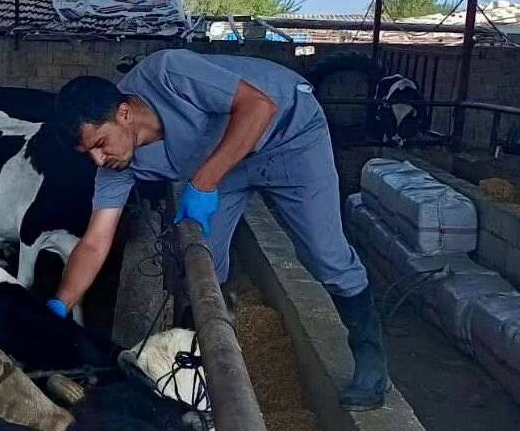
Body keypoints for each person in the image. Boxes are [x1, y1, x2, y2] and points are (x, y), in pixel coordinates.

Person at [49, 49, 388, 411]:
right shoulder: (118, 164)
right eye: (89, 154)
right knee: (200, 264)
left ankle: (370, 357)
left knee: (325, 254)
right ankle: (199, 355)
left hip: (290, 134)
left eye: (100, 144)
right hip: (227, 162)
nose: (99, 160)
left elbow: (258, 106)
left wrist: (206, 180)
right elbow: (95, 241)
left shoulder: (168, 74)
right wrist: (58, 306)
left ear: (124, 113)